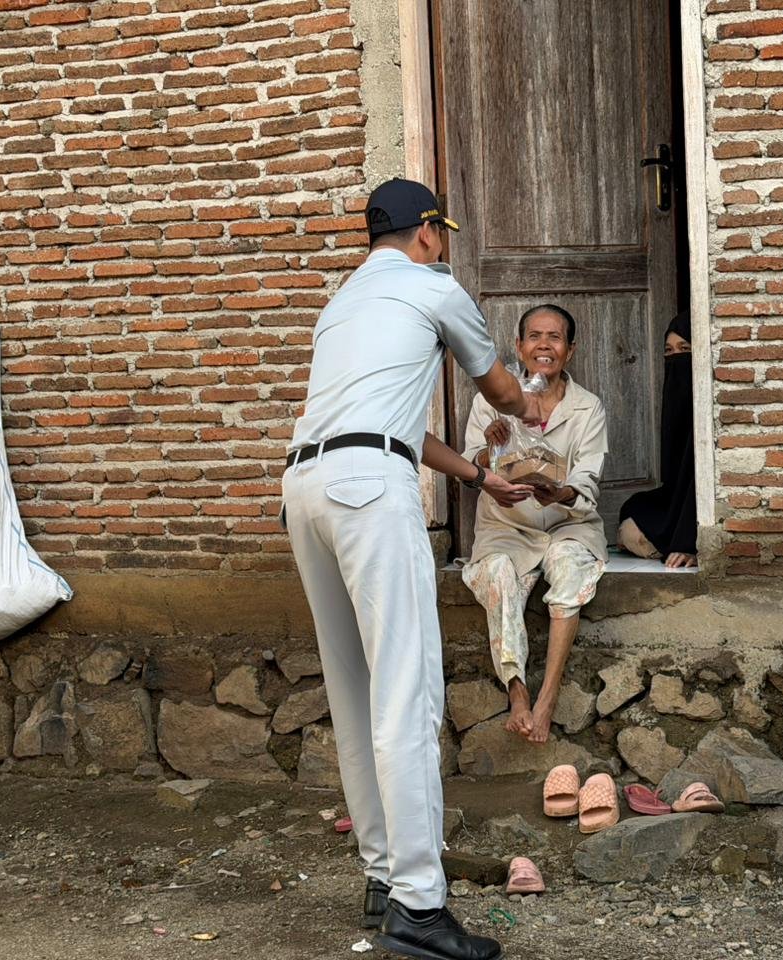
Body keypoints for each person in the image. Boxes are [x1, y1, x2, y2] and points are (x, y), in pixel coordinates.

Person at [283, 178, 538, 960]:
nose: (445, 244)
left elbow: (379, 423)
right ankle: (421, 910)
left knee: (355, 692)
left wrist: (472, 475)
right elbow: (497, 382)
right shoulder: (433, 287)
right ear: (426, 231)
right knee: (408, 693)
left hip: (305, 488)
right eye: (442, 231)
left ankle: (385, 876)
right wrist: (525, 407)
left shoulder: (343, 305)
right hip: (368, 494)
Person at [461, 304, 608, 744]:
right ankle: (518, 694)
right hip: (506, 525)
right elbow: (471, 466)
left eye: (556, 338)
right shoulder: (490, 401)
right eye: (535, 337)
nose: (545, 345)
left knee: (568, 564)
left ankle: (546, 700)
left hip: (568, 524)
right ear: (520, 346)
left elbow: (586, 477)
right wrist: (490, 452)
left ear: (570, 349)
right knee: (500, 574)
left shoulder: (586, 408)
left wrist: (559, 492)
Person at [617, 309, 697, 569]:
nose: (675, 359)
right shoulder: (678, 400)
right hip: (677, 504)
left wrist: (688, 544)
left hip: (694, 518)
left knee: (634, 534)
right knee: (634, 510)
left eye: (684, 348)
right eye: (668, 351)